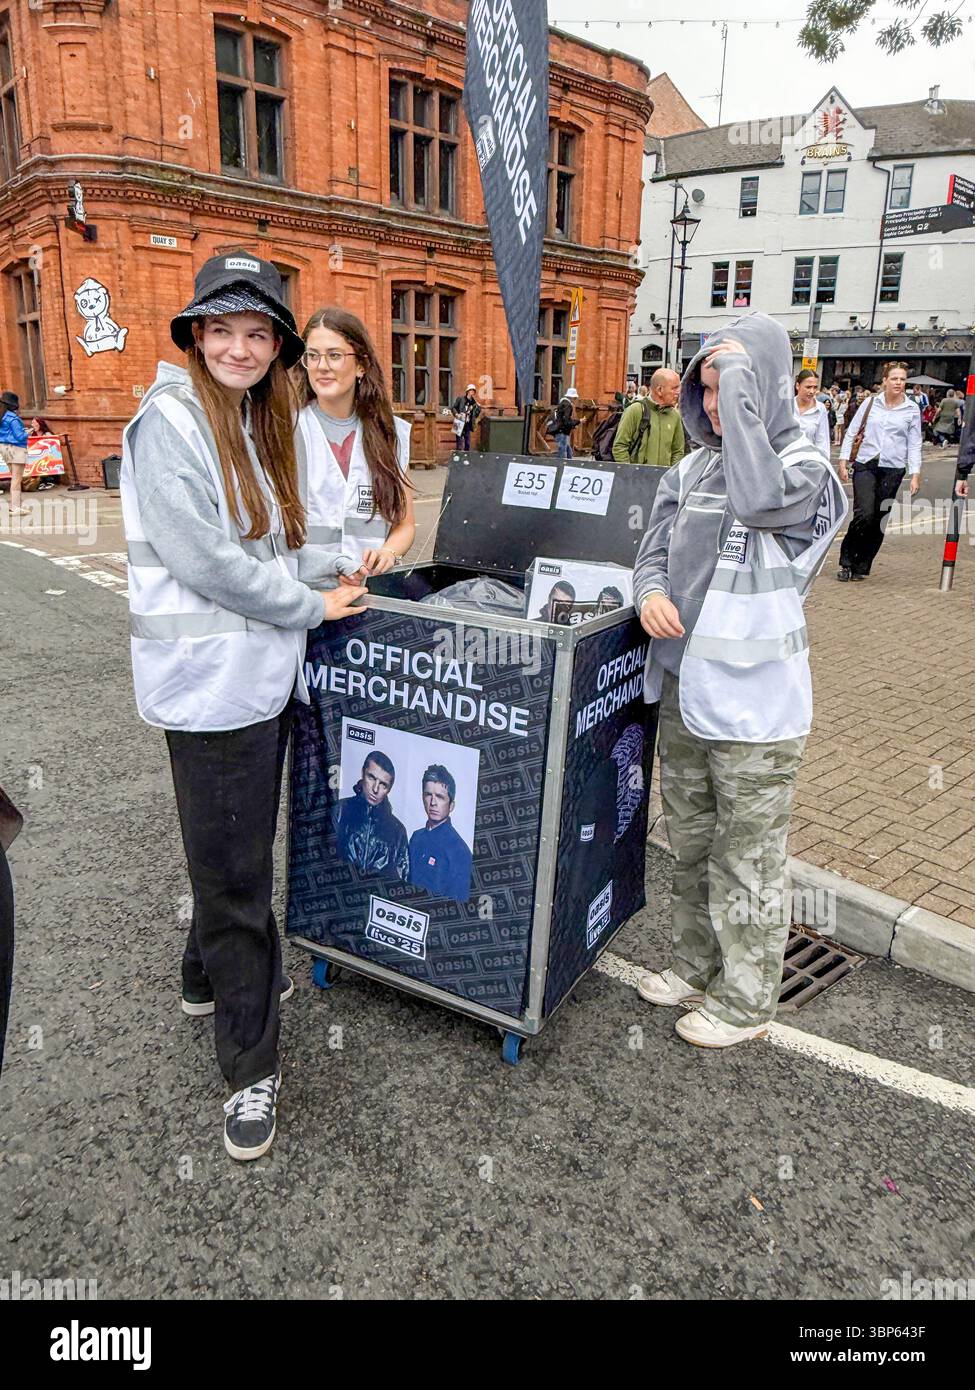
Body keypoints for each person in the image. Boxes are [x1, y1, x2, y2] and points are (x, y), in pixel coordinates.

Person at [120, 253, 368, 1162]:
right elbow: (206, 561)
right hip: (211, 687)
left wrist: (333, 573)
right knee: (235, 879)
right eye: (221, 329)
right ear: (195, 336)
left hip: (254, 680)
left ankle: (204, 978)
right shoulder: (172, 422)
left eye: (257, 333)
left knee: (232, 848)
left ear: (276, 347)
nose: (239, 347)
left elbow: (264, 543)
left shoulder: (248, 419)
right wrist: (310, 607)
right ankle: (249, 1067)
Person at [632, 312, 847, 1049]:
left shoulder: (806, 470)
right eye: (707, 388)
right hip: (684, 692)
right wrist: (648, 593)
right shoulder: (690, 469)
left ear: (766, 388)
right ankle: (695, 965)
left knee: (747, 855)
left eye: (730, 387)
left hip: (757, 707)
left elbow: (758, 503)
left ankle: (748, 998)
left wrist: (747, 404)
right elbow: (650, 551)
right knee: (691, 842)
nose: (714, 404)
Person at [298, 307, 415, 580]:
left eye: (334, 355)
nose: (322, 366)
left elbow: (405, 524)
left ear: (361, 365)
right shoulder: (286, 429)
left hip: (368, 591)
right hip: (307, 593)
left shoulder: (390, 434)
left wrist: (389, 553)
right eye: (312, 356)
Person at [836, 360, 921, 582]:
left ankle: (862, 565)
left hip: (893, 468)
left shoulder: (911, 409)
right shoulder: (871, 403)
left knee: (878, 518)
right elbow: (852, 431)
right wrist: (843, 461)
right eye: (894, 378)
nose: (899, 383)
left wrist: (915, 473)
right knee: (864, 514)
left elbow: (914, 443)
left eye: (902, 379)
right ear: (884, 381)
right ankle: (847, 561)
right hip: (866, 463)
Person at [335, 752, 409, 881]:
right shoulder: (340, 810)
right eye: (371, 777)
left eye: (383, 784)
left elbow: (403, 879)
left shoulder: (397, 831)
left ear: (389, 789)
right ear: (363, 773)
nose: (375, 789)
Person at [407, 764, 473, 902]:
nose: (433, 802)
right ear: (422, 797)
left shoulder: (460, 853)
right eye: (428, 795)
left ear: (451, 805)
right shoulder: (416, 838)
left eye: (440, 797)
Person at [613, 367, 685, 468]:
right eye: (674, 388)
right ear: (659, 390)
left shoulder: (675, 416)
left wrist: (671, 473)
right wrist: (630, 473)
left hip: (664, 477)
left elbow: (678, 451)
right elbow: (619, 447)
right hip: (637, 476)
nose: (678, 392)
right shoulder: (635, 410)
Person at [0, 391, 29, 516]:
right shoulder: (13, 418)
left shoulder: (2, 417)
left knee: (14, 477)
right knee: (16, 479)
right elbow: (19, 436)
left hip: (4, 447)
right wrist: (28, 432)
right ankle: (15, 507)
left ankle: (16, 505)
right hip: (16, 449)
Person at [795, 369, 831, 456]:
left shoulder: (820, 409)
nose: (812, 391)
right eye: (808, 387)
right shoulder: (787, 406)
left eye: (815, 387)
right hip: (785, 459)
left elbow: (822, 441)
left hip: (808, 459)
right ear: (798, 386)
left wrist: (823, 461)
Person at [450, 383, 482, 451]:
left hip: (467, 423)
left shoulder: (474, 403)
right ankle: (458, 455)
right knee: (459, 442)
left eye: (473, 391)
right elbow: (453, 408)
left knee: (467, 443)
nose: (472, 392)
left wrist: (479, 408)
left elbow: (476, 414)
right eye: (471, 390)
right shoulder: (460, 399)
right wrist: (456, 414)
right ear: (467, 391)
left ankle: (466, 455)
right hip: (459, 421)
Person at [550, 386, 579, 460]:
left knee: (566, 446)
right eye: (574, 398)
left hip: (559, 428)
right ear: (572, 397)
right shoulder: (567, 405)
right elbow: (566, 420)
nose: (575, 399)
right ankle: (562, 463)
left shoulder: (562, 403)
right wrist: (577, 422)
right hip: (562, 429)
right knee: (563, 447)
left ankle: (569, 460)